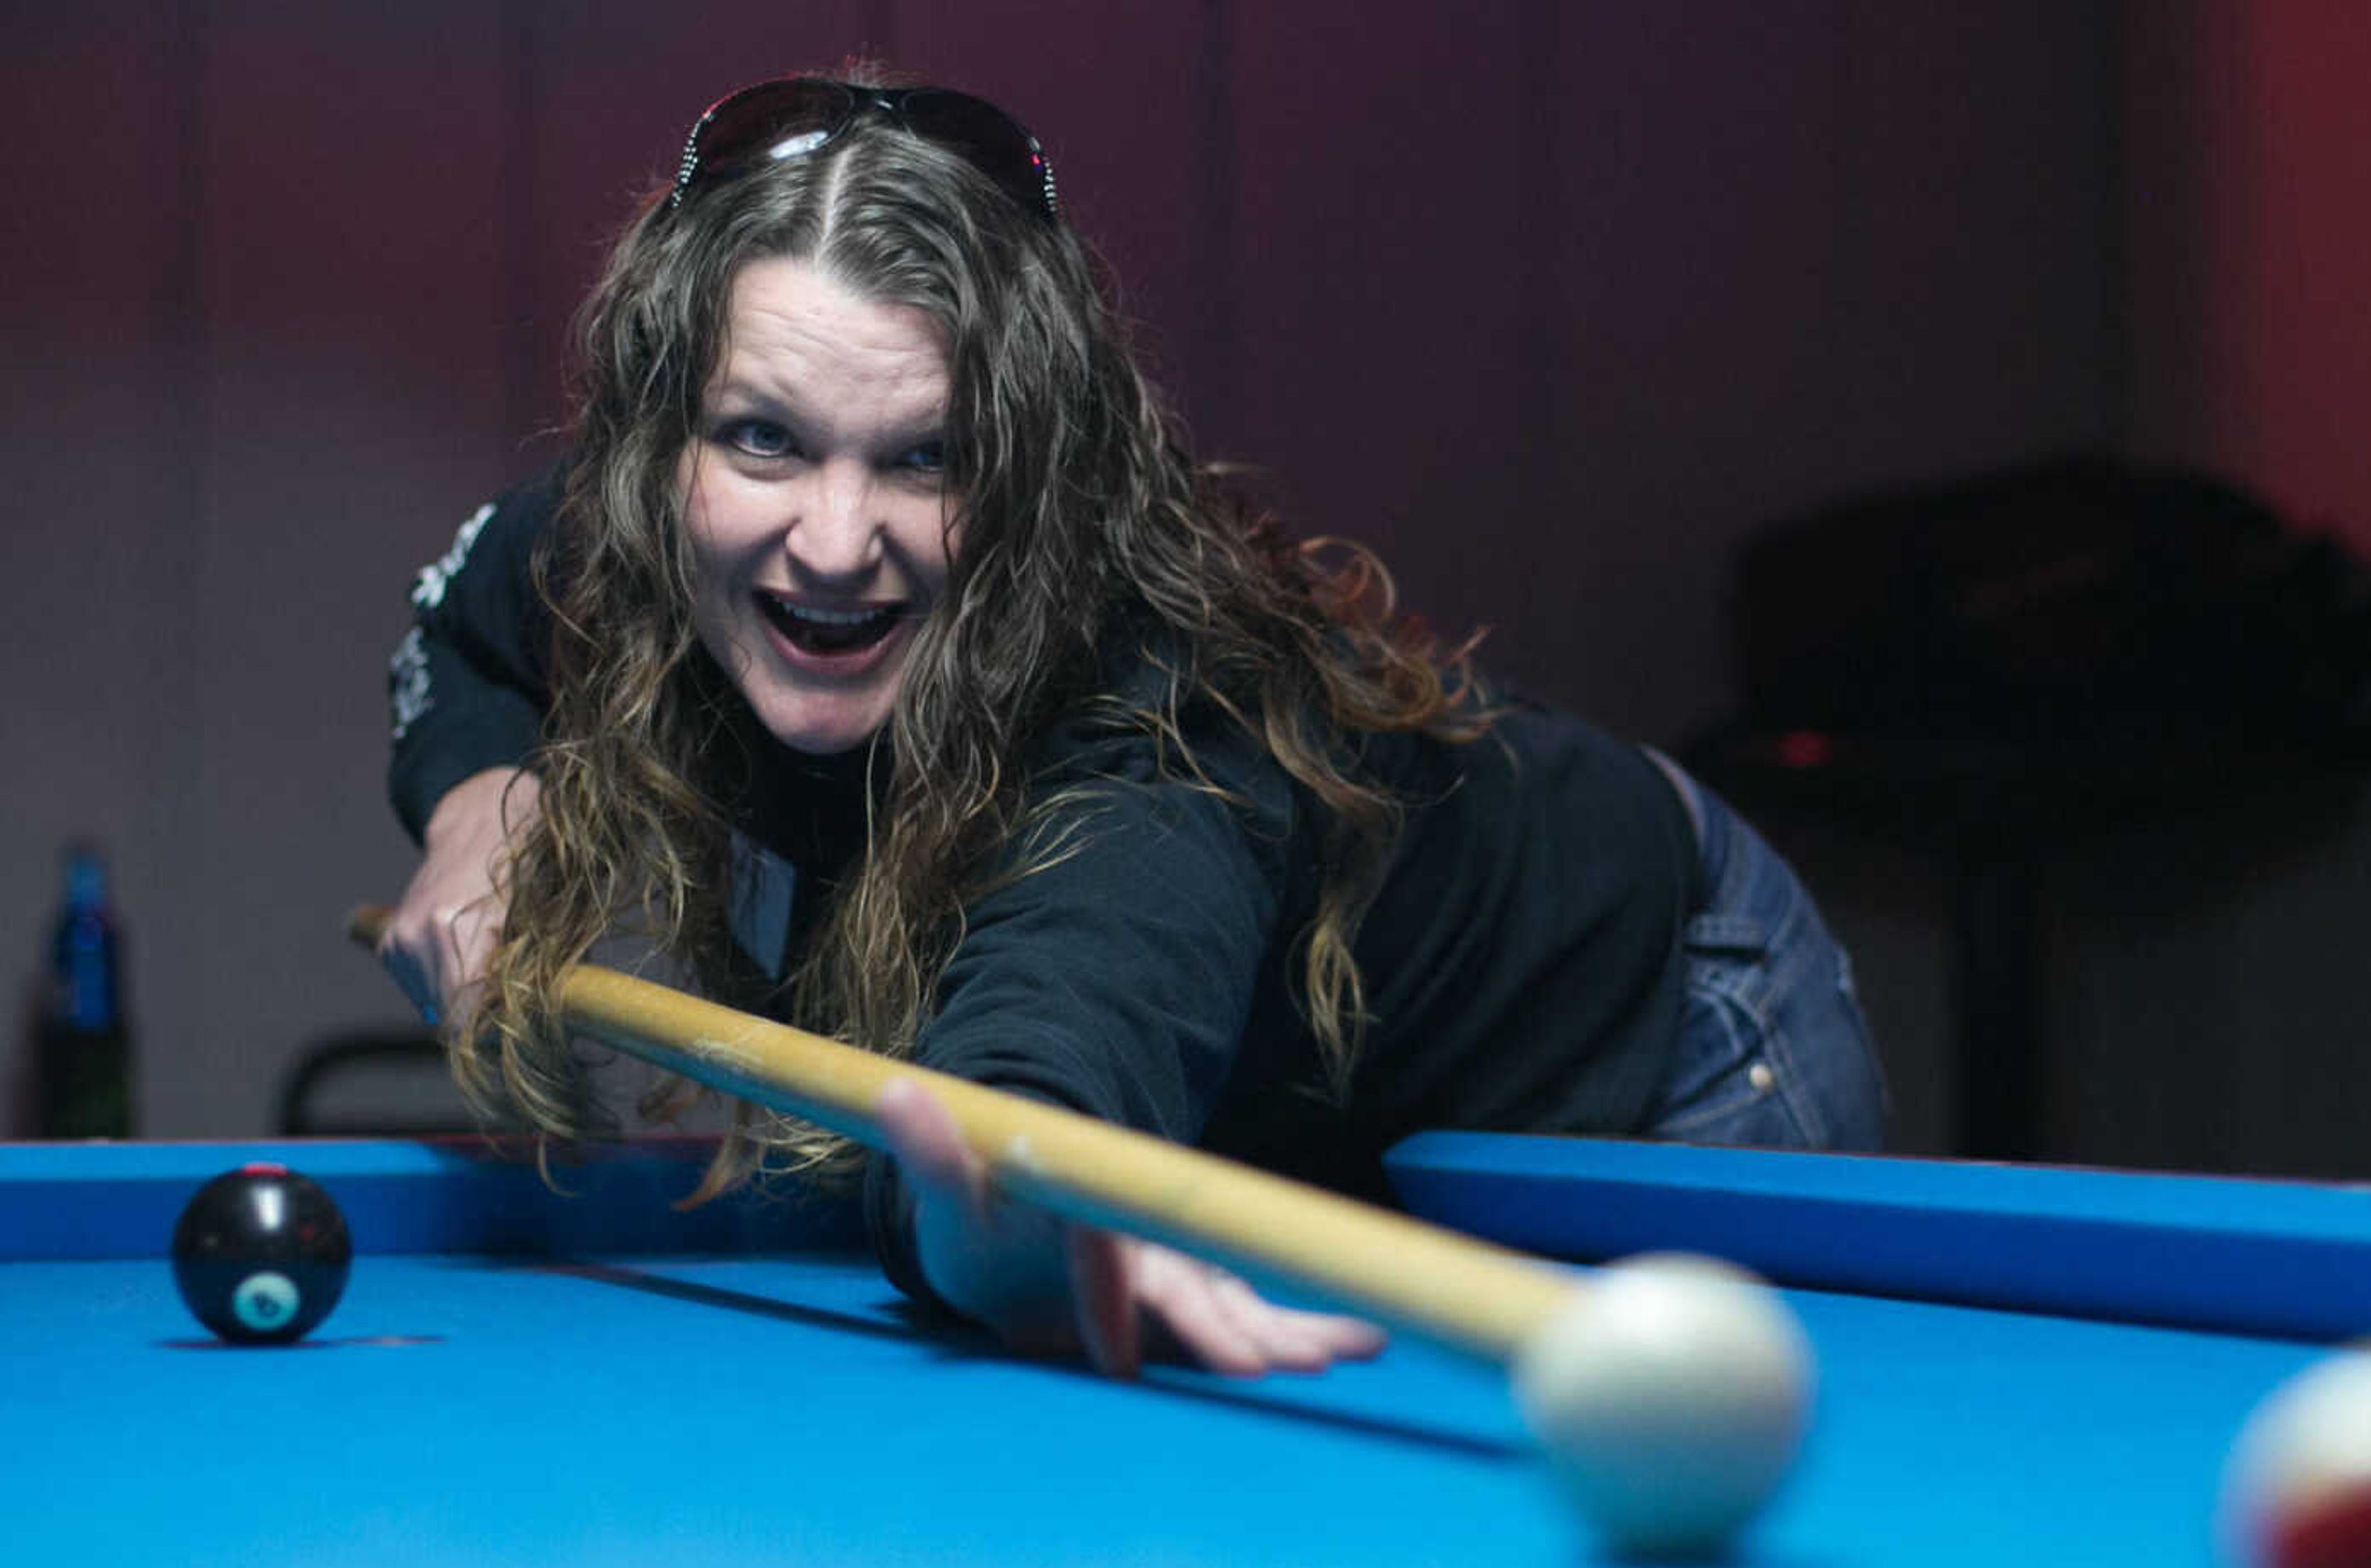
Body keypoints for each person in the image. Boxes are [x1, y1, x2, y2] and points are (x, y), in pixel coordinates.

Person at [381, 72, 1884, 1378]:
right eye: (765, 437)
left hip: (1669, 1011)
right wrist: (474, 797)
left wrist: (1013, 1214)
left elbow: (1048, 1064)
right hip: (1324, 1075)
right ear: (662, 447)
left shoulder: (1157, 710)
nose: (835, 543)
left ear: (1037, 477)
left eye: (931, 457)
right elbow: (464, 628)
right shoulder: (624, 543)